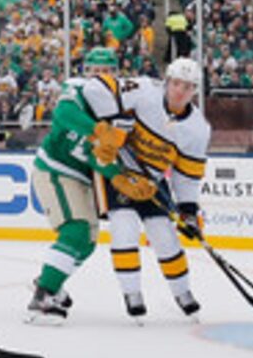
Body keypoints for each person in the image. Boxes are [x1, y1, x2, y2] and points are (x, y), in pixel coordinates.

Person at [90, 55, 211, 320]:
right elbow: (95, 88)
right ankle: (132, 294)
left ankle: (183, 293)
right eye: (177, 83)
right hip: (119, 172)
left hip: (152, 180)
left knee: (165, 235)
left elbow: (186, 176)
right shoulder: (144, 90)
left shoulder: (198, 130)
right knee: (125, 228)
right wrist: (115, 121)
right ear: (167, 81)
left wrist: (188, 211)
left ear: (195, 91)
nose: (181, 91)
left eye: (188, 87)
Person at [21, 48, 132, 323]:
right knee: (76, 231)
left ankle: (49, 279)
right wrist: (98, 131)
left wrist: (120, 176)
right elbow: (64, 114)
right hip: (56, 169)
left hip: (81, 176)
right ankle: (43, 296)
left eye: (106, 72)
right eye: (95, 71)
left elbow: (102, 157)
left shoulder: (121, 105)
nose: (100, 77)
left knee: (88, 242)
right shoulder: (76, 88)